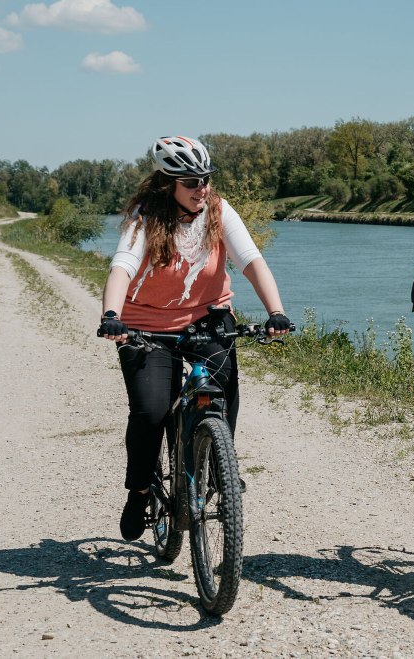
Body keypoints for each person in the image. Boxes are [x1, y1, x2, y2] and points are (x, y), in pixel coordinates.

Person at [97, 135, 291, 542]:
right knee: (151, 412)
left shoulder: (217, 210)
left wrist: (276, 311)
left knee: (223, 396)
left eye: (205, 178)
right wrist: (112, 316)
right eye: (190, 182)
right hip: (145, 327)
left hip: (207, 321)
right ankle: (140, 490)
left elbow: (252, 261)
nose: (201, 188)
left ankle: (220, 467)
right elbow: (122, 267)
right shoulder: (146, 216)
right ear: (169, 184)